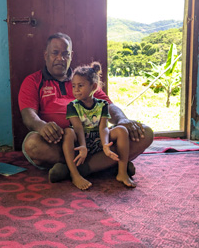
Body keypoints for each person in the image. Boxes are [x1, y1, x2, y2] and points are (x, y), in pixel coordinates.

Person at [18, 32, 153, 182]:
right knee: (32, 144)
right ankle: (106, 165)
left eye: (65, 54)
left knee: (145, 133)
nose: (60, 58)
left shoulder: (84, 78)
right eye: (55, 53)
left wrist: (122, 119)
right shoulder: (33, 81)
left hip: (97, 141)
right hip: (60, 143)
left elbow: (108, 106)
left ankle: (75, 170)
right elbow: (28, 115)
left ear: (71, 56)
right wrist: (42, 126)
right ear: (45, 55)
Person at [63, 62, 136, 190]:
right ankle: (75, 174)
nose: (76, 90)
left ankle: (122, 172)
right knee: (68, 132)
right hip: (81, 142)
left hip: (98, 139)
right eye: (74, 86)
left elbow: (103, 127)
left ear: (93, 86)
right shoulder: (72, 106)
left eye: (80, 86)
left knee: (122, 130)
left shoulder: (103, 105)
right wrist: (83, 146)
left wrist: (105, 146)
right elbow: (78, 128)